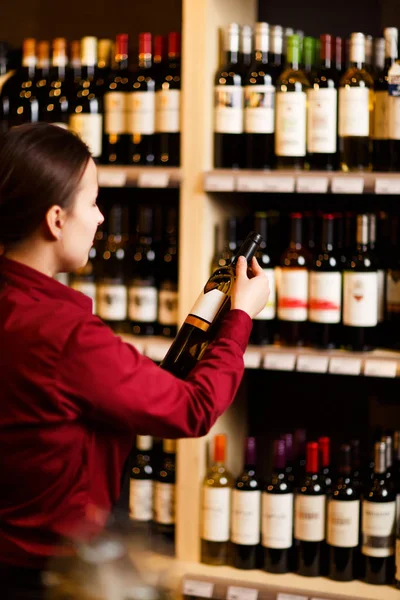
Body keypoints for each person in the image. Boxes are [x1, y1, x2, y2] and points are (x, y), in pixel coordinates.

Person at [0, 123, 269, 597]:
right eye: (93, 203)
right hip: (48, 578)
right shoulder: (67, 337)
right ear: (56, 219)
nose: (102, 219)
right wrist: (243, 313)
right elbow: (194, 408)